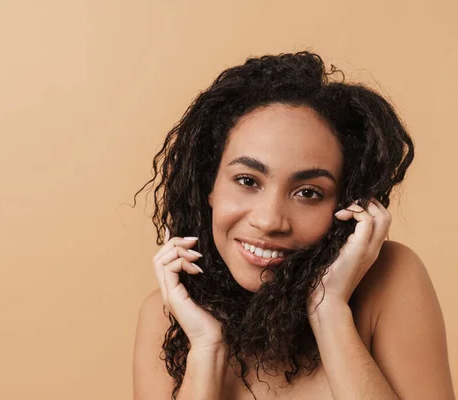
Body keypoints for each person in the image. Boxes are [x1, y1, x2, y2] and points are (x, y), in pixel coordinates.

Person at [132, 51, 455, 400]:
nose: (270, 220)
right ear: (209, 184)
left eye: (308, 192)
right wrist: (207, 349)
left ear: (347, 204)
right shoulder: (167, 316)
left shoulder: (391, 280)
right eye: (246, 180)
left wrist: (329, 309)